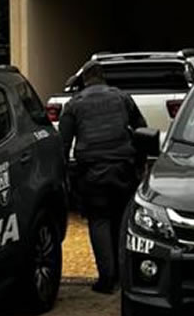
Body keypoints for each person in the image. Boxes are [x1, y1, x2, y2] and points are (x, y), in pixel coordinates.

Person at [58, 61, 148, 294]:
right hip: (123, 169)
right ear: (103, 77)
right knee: (121, 220)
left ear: (85, 80)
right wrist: (140, 165)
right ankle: (124, 276)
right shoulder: (122, 98)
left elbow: (63, 144)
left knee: (99, 220)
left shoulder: (74, 104)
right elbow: (142, 130)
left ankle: (106, 278)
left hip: (92, 172)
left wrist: (64, 176)